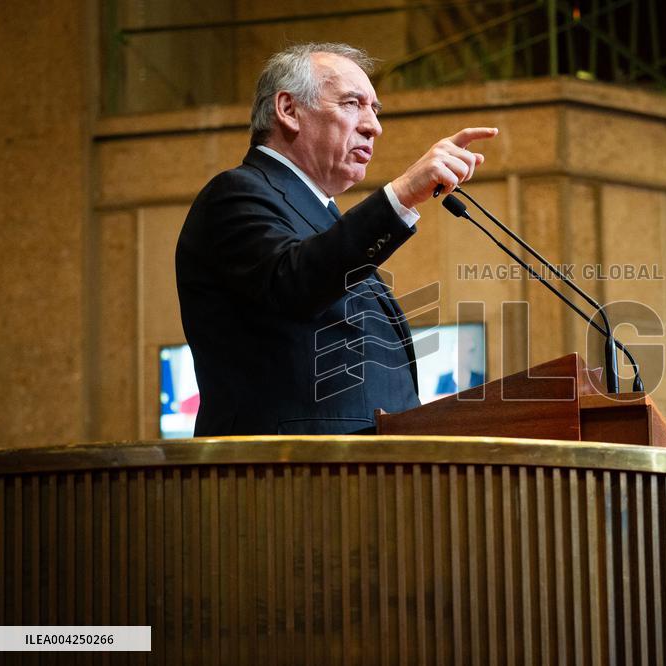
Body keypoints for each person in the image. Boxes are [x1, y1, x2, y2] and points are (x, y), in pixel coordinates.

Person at [175, 42, 497, 436]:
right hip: (289, 472)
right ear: (288, 110)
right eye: (352, 103)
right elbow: (296, 282)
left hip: (364, 469)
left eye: (374, 110)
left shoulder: (321, 216)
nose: (373, 126)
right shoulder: (235, 194)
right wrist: (401, 196)